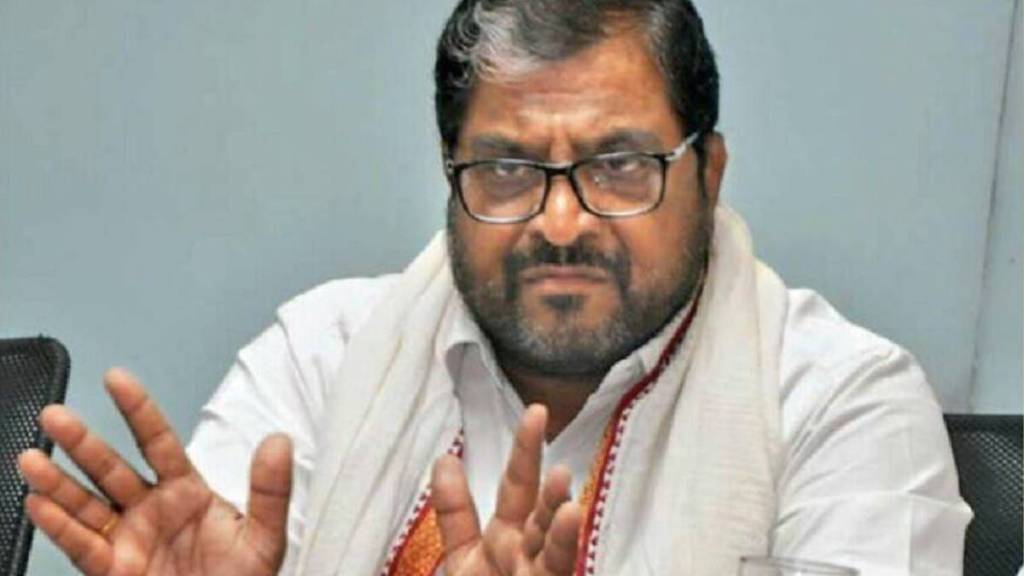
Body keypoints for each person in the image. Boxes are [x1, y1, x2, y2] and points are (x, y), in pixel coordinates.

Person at [17, 1, 972, 575]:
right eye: (508, 169)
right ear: (450, 175)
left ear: (708, 172)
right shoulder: (321, 356)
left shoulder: (844, 406)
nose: (561, 222)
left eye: (619, 165)